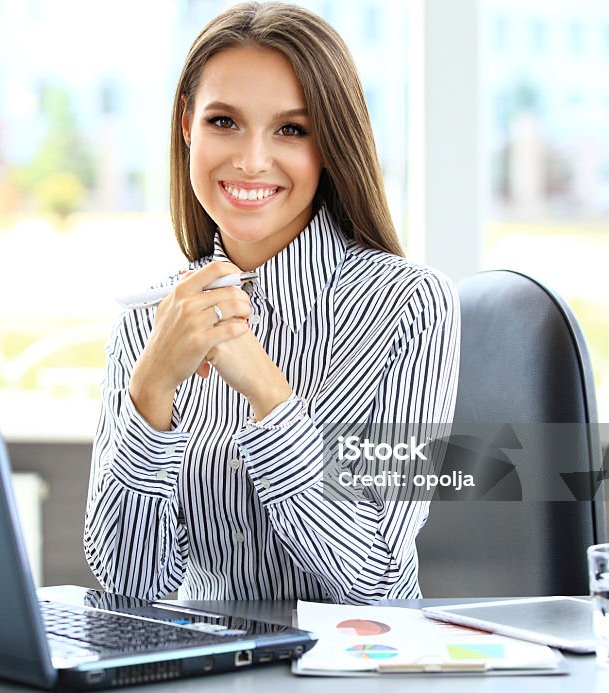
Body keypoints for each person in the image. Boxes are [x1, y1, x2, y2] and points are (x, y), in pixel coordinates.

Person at [83, 1, 460, 604]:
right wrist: (152, 388)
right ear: (187, 124)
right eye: (224, 122)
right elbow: (131, 587)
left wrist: (269, 395)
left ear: (330, 144)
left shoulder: (407, 305)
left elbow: (378, 575)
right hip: (199, 668)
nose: (251, 159)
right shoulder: (147, 323)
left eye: (292, 129)